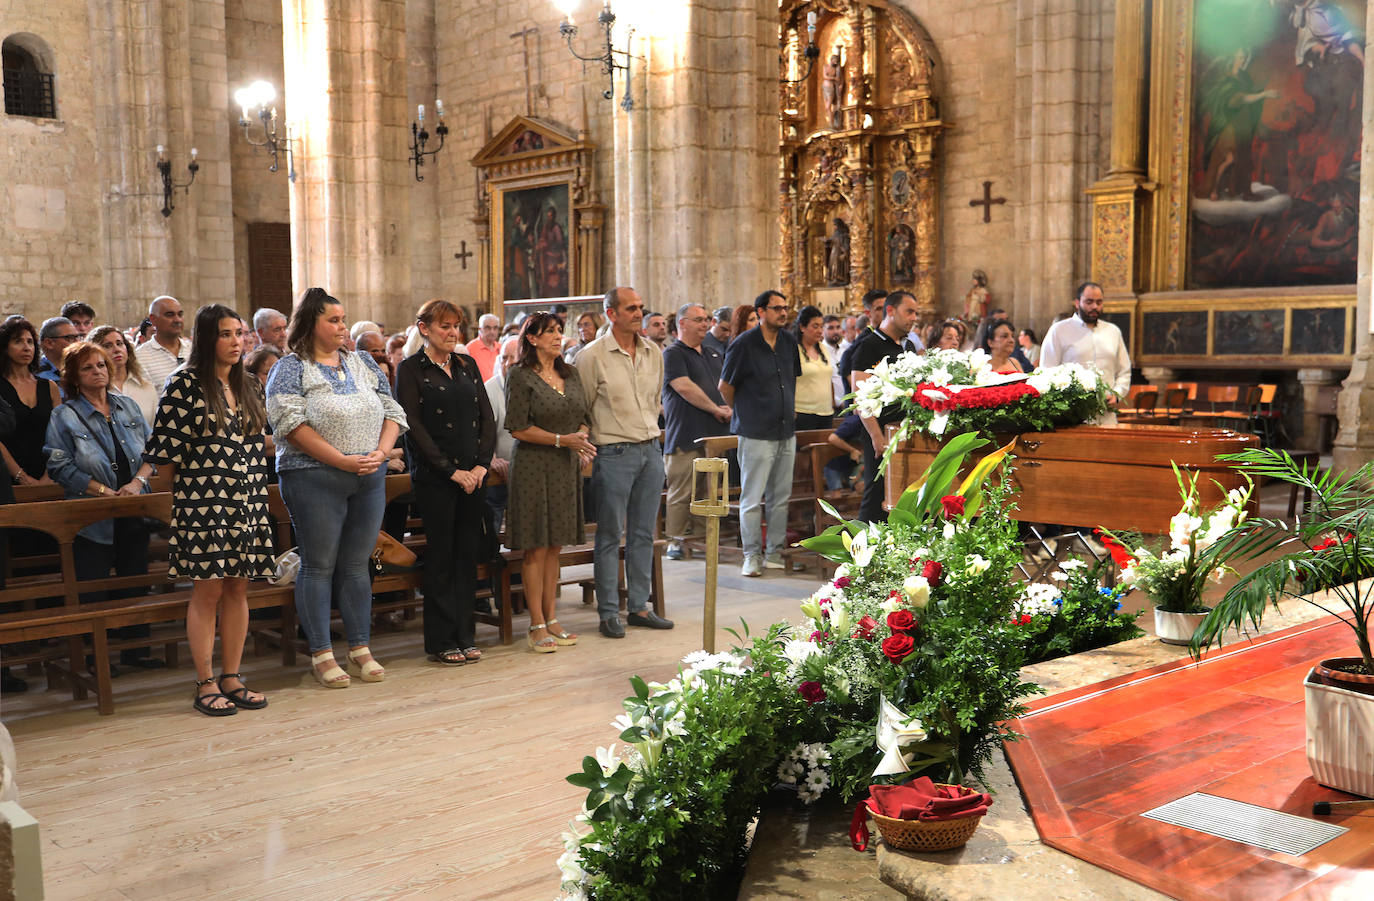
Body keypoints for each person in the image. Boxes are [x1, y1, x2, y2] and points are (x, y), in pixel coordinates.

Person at [266, 287, 407, 689]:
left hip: (368, 474)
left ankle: (360, 647)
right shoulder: (290, 367)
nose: (342, 327)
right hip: (313, 476)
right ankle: (322, 653)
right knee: (319, 564)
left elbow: (392, 409)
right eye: (333, 320)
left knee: (357, 563)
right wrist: (342, 459)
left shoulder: (362, 361)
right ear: (310, 324)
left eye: (344, 319)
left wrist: (380, 453)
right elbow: (289, 424)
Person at [143, 305, 275, 715]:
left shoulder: (249, 382)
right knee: (208, 589)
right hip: (203, 503)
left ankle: (232, 676)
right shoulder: (183, 383)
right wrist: (198, 491)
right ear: (206, 339)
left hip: (248, 499)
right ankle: (204, 682)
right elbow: (163, 460)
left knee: (238, 587)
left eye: (239, 334)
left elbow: (256, 444)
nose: (236, 341)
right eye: (225, 334)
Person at [44, 341, 162, 669]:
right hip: (90, 512)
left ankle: (136, 651)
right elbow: (59, 466)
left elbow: (152, 450)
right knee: (92, 586)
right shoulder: (64, 415)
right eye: (88, 367)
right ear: (73, 377)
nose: (97, 372)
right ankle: (96, 659)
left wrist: (137, 482)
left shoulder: (127, 406)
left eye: (101, 365)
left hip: (134, 505)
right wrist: (102, 492)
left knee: (135, 579)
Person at [396, 299, 496, 667]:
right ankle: (441, 639)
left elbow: (486, 416)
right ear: (424, 328)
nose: (453, 333)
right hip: (437, 478)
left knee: (467, 556)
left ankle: (466, 634)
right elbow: (414, 427)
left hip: (474, 475)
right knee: (442, 558)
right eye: (445, 327)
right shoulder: (410, 370)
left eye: (456, 326)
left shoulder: (467, 365)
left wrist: (482, 466)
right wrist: (451, 471)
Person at [578, 288, 675, 637]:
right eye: (630, 308)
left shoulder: (654, 351)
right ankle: (607, 612)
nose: (638, 313)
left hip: (650, 449)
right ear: (611, 314)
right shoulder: (591, 357)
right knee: (608, 535)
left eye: (640, 307)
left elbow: (653, 400)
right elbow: (583, 407)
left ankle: (638, 607)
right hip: (613, 452)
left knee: (642, 533)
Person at [506, 312, 597, 651]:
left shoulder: (570, 372)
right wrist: (564, 441)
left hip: (563, 465)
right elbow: (517, 427)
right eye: (550, 332)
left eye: (560, 330)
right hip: (533, 465)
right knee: (536, 547)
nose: (559, 336)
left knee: (555, 545)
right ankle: (536, 624)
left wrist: (583, 442)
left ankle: (553, 617)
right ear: (531, 338)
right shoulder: (520, 376)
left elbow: (583, 417)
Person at [720, 290, 801, 577]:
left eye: (785, 307)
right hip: (755, 432)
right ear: (761, 312)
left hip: (785, 430)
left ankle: (775, 552)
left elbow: (792, 380)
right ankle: (752, 555)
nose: (783, 312)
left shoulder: (790, 341)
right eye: (777, 308)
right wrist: (745, 411)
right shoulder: (744, 344)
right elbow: (725, 387)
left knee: (780, 497)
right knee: (752, 499)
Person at [661, 303, 730, 561]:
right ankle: (674, 541)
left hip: (714, 434)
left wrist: (729, 407)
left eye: (707, 319)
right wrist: (716, 409)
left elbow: (724, 385)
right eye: (699, 319)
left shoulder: (713, 353)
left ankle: (703, 539)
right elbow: (684, 387)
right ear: (682, 323)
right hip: (686, 433)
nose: (705, 324)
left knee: (708, 492)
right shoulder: (673, 354)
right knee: (682, 492)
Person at [851, 291, 920, 523]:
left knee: (904, 493)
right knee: (877, 493)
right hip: (881, 433)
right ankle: (863, 549)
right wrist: (876, 435)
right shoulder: (868, 345)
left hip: (904, 431)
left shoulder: (907, 346)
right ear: (890, 311)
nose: (914, 318)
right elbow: (860, 395)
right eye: (909, 311)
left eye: (916, 313)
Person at [1039, 282, 1132, 419]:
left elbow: (1124, 371)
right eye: (1089, 302)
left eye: (1099, 302)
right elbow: (1047, 371)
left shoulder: (1113, 331)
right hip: (1071, 414)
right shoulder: (1059, 330)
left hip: (1106, 413)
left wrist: (1117, 393)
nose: (1094, 306)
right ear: (1077, 303)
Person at [0, 317, 61, 487]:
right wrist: (21, 477)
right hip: (7, 477)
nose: (26, 347)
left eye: (30, 342)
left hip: (49, 475)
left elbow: (59, 434)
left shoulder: (49, 387)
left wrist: (49, 473)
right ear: (5, 347)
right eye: (18, 341)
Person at [90, 325, 159, 427]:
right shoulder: (93, 390)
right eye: (107, 346)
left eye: (119, 343)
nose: (116, 349)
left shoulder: (146, 387)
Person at [485, 335, 520, 532]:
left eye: (513, 358)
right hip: (499, 470)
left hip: (526, 469)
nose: (508, 363)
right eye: (504, 358)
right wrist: (492, 457)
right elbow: (482, 431)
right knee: (493, 520)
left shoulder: (532, 384)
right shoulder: (490, 388)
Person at [134, 295, 191, 390]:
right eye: (170, 315)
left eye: (180, 314)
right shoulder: (140, 358)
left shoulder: (194, 350)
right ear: (153, 319)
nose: (177, 320)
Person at [794, 305, 835, 431]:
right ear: (802, 327)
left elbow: (829, 378)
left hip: (826, 412)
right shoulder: (794, 349)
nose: (820, 331)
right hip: (802, 412)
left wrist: (832, 402)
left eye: (821, 326)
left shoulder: (823, 348)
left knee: (824, 449)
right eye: (815, 326)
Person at [836, 288, 888, 389]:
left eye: (887, 308)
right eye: (879, 309)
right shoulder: (863, 341)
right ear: (868, 313)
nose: (885, 313)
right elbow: (845, 364)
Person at [824, 413, 865, 491]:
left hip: (854, 463)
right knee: (836, 493)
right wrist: (852, 450)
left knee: (861, 486)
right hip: (835, 462)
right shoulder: (854, 421)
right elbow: (833, 438)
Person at [36, 317, 78, 384]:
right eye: (70, 338)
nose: (77, 342)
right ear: (49, 343)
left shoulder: (80, 370)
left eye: (77, 337)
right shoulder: (34, 375)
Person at [465, 313, 502, 381]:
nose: (492, 331)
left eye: (495, 328)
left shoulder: (501, 348)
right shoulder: (469, 349)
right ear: (480, 329)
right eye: (488, 328)